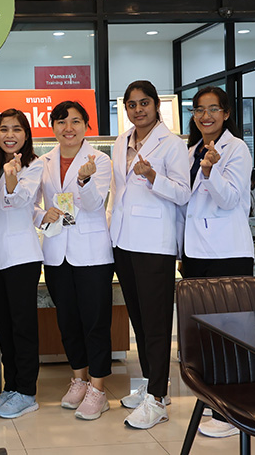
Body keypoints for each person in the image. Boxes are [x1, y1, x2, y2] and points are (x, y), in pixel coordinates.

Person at [108, 80, 190, 430]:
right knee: (139, 320)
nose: (138, 109)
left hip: (154, 244)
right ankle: (151, 385)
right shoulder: (120, 142)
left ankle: (157, 398)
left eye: (144, 103)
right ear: (125, 109)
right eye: (131, 104)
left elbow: (183, 193)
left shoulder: (172, 145)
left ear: (157, 105)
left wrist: (153, 176)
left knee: (156, 322)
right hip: (124, 241)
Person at [178, 87, 253, 439]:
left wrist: (211, 172)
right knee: (203, 333)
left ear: (225, 113)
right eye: (199, 110)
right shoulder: (191, 150)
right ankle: (213, 401)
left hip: (226, 251)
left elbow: (231, 199)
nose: (205, 116)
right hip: (195, 252)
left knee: (231, 332)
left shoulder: (235, 148)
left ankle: (232, 412)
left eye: (213, 109)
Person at [36, 101, 116, 422]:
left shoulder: (101, 160)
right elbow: (32, 202)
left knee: (95, 321)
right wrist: (42, 214)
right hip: (56, 251)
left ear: (87, 126)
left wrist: (85, 181)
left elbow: (96, 206)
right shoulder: (43, 161)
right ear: (52, 126)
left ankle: (98, 389)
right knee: (68, 321)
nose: (68, 128)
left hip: (92, 253)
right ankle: (79, 379)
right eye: (61, 122)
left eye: (76, 121)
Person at [0, 109, 43, 419]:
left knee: (23, 327)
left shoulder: (34, 166)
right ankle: (12, 385)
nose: (9, 135)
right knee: (4, 327)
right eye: (3, 129)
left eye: (16, 129)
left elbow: (19, 201)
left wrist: (11, 177)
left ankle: (27, 392)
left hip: (21, 258)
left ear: (26, 134)